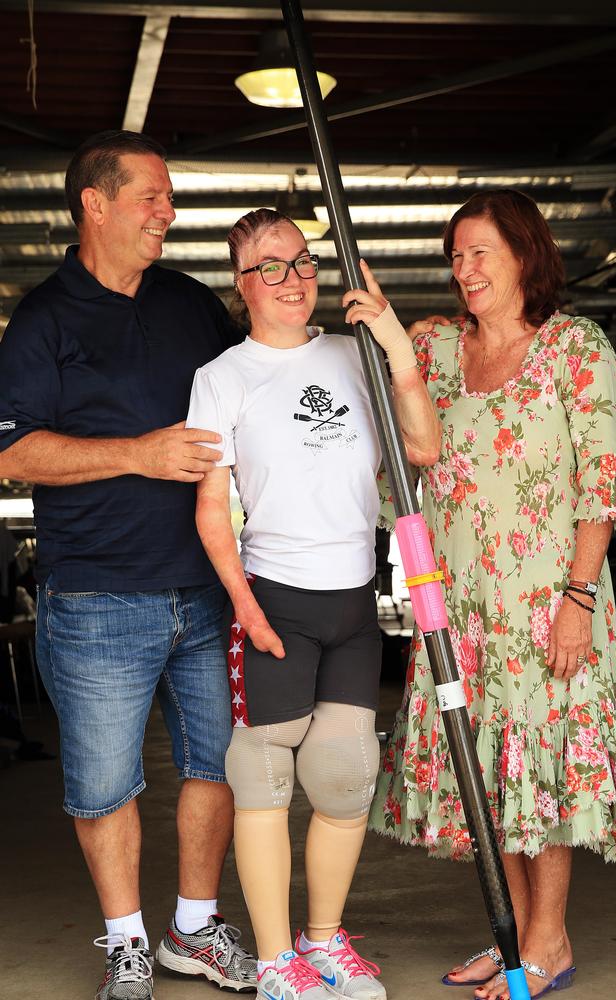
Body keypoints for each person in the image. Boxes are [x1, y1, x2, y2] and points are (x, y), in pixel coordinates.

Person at [366, 189, 616, 999]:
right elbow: (406, 461)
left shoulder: (575, 348)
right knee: (490, 777)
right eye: (456, 255)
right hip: (461, 608)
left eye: (481, 251)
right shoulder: (438, 350)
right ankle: (517, 937)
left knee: (541, 771)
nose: (465, 269)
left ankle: (548, 941)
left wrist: (580, 597)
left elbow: (601, 480)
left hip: (550, 602)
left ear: (526, 254)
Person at [0, 130, 257, 999]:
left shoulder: (188, 303)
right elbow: (11, 453)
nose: (168, 214)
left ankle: (193, 929)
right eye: (150, 197)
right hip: (98, 596)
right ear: (94, 205)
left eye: (169, 197)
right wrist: (137, 454)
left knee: (217, 766)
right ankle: (126, 947)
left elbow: (257, 381)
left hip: (206, 586)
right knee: (105, 784)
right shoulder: (44, 318)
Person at [186, 208, 440, 1000]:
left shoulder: (353, 353)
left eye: (301, 262)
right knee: (263, 777)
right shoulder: (222, 377)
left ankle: (323, 944)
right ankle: (273, 964)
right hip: (276, 597)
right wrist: (245, 606)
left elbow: (424, 448)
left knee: (344, 774)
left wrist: (396, 345)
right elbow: (209, 509)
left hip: (354, 597)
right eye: (270, 266)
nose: (291, 279)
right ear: (242, 282)